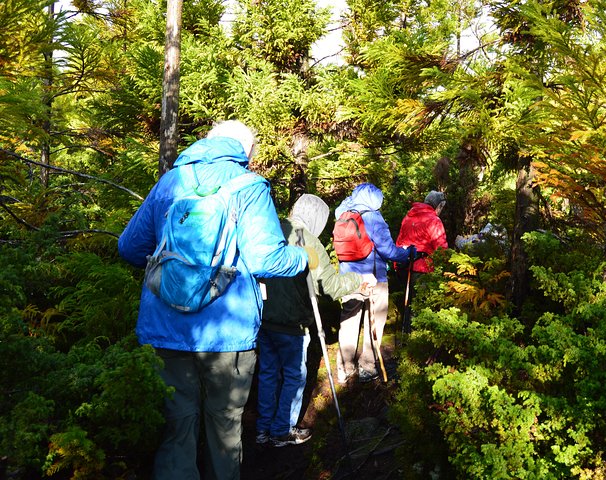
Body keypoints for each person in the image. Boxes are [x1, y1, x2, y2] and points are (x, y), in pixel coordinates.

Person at [117, 120, 308, 480]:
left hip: (165, 327)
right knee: (224, 428)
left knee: (176, 427)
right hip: (227, 333)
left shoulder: (171, 182)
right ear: (246, 151)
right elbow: (265, 259)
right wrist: (301, 258)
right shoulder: (248, 186)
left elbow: (128, 247)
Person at [255, 194, 375, 447]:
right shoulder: (308, 241)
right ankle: (281, 430)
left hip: (264, 318)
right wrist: (357, 281)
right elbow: (329, 285)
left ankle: (263, 428)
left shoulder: (272, 227)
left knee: (267, 374)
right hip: (292, 323)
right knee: (293, 376)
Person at [334, 183, 412, 383]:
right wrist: (408, 253)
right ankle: (367, 367)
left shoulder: (343, 212)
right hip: (373, 277)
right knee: (375, 319)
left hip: (347, 278)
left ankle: (344, 368)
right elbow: (389, 251)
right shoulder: (373, 217)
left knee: (349, 320)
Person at [395, 190, 449, 330]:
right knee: (420, 305)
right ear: (438, 206)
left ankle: (406, 333)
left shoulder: (409, 216)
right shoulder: (434, 220)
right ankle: (415, 339)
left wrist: (396, 264)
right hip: (423, 269)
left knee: (408, 303)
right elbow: (441, 248)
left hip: (404, 266)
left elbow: (399, 241)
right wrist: (442, 269)